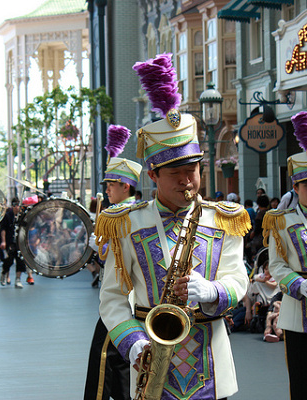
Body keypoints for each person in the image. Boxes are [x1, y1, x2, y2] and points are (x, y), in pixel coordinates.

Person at [96, 53, 251, 400]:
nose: (187, 181)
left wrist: (212, 291)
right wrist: (133, 343)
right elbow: (111, 298)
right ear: (152, 175)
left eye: (192, 169)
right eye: (175, 173)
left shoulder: (224, 218)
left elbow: (238, 277)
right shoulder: (126, 223)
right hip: (150, 363)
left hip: (212, 365)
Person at [84, 124, 143, 400]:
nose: (107, 189)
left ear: (125, 186)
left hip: (126, 298)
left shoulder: (124, 215)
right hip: (121, 295)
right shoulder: (123, 212)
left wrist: (99, 244)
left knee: (106, 359)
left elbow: (110, 255)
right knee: (118, 364)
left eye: (111, 184)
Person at [262, 110, 307, 400]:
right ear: (296, 187)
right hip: (297, 311)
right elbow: (276, 266)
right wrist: (300, 285)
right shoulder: (281, 221)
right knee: (302, 381)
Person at [0, 198, 34, 288]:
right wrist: (3, 241)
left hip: (20, 243)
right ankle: (4, 272)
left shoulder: (23, 216)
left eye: (18, 205)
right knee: (9, 260)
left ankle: (18, 279)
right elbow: (3, 230)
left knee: (20, 261)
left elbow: (27, 229)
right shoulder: (7, 216)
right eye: (15, 205)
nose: (16, 207)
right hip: (10, 242)